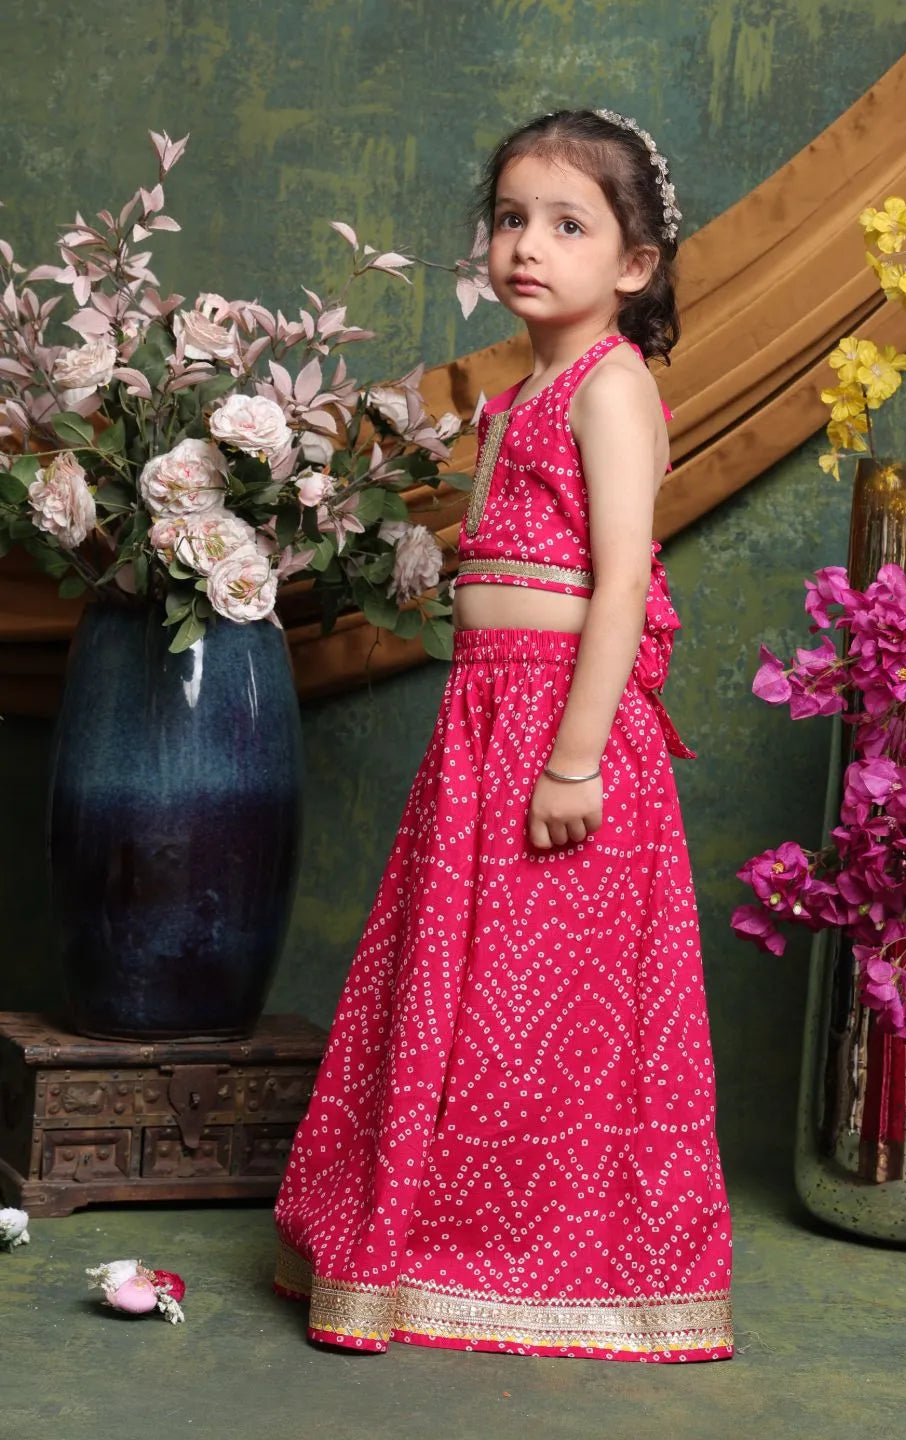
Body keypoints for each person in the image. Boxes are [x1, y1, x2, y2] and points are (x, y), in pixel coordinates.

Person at [273, 108, 733, 1363]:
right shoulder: (518, 392)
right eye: (513, 218)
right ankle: (425, 1247)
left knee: (548, 1009)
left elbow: (625, 584)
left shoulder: (614, 387)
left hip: (560, 732)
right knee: (464, 995)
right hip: (487, 719)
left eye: (568, 224)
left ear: (634, 267)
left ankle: (541, 1263)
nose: (528, 244)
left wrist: (576, 757)